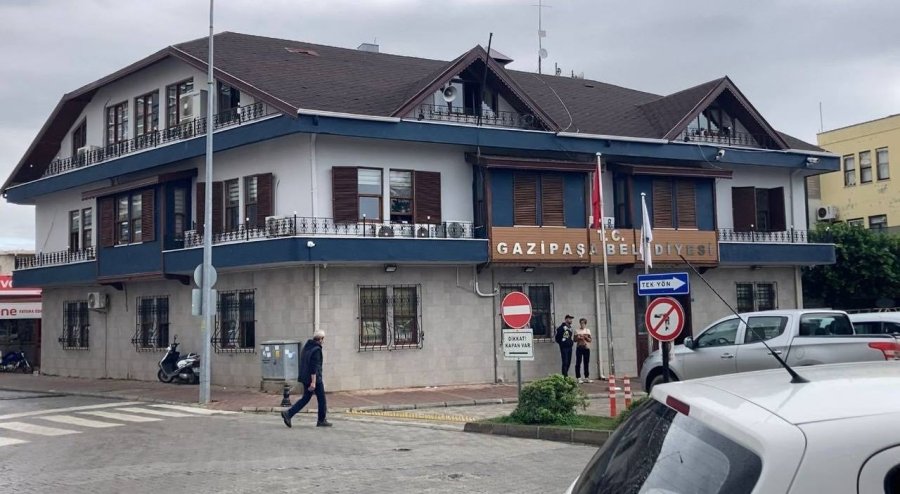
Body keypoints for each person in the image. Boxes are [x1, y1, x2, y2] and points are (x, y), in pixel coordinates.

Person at [281, 330, 331, 428]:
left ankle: (289, 414)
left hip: (305, 378)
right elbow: (314, 367)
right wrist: (313, 382)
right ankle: (321, 420)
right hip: (315, 379)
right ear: (320, 339)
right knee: (322, 399)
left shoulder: (307, 347)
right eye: (323, 339)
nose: (323, 341)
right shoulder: (317, 350)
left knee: (305, 398)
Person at [574, 318, 593, 383]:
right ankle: (578, 377)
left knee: (586, 362)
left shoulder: (588, 330)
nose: (582, 324)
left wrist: (585, 337)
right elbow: (574, 340)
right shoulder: (577, 330)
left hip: (586, 348)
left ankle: (586, 377)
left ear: (585, 324)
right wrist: (578, 337)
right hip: (579, 347)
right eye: (581, 323)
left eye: (583, 323)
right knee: (578, 362)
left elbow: (590, 340)